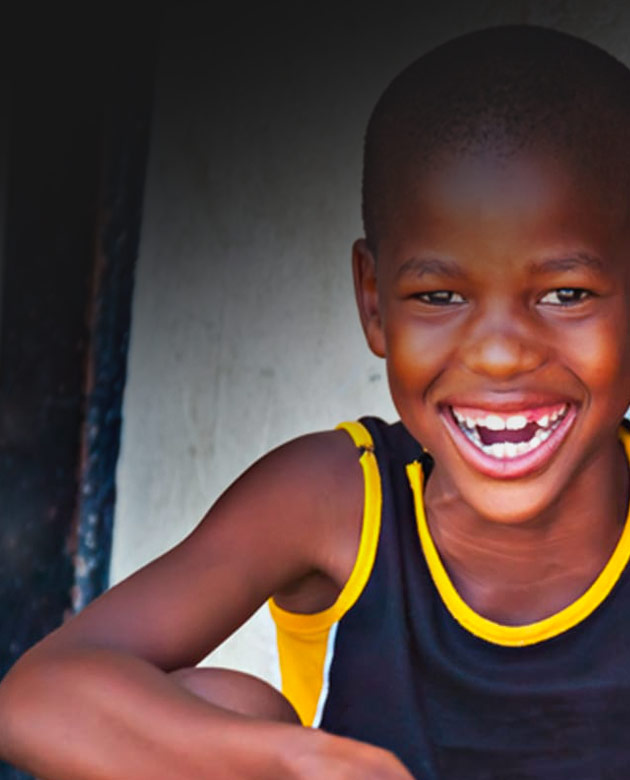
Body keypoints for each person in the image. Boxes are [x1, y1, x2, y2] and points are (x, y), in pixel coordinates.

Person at [2, 23, 630, 779]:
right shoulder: (338, 500)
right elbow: (36, 696)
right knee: (212, 708)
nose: (500, 352)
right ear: (374, 302)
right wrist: (292, 762)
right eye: (439, 295)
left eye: (567, 294)